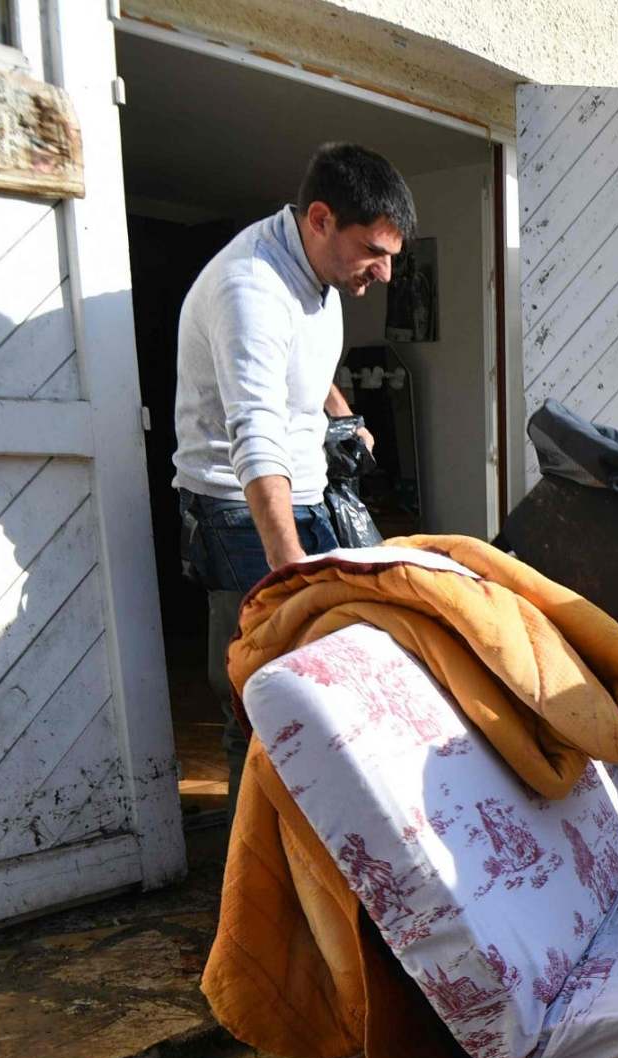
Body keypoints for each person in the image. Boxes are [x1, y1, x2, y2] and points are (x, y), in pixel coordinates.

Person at [173, 141, 415, 802]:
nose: (385, 273)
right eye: (375, 252)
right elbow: (253, 432)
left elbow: (302, 368)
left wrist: (343, 413)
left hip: (307, 488)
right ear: (319, 219)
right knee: (263, 693)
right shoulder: (249, 287)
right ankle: (251, 878)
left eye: (392, 256)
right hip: (237, 506)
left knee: (346, 656)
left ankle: (326, 829)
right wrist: (289, 570)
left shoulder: (325, 270)